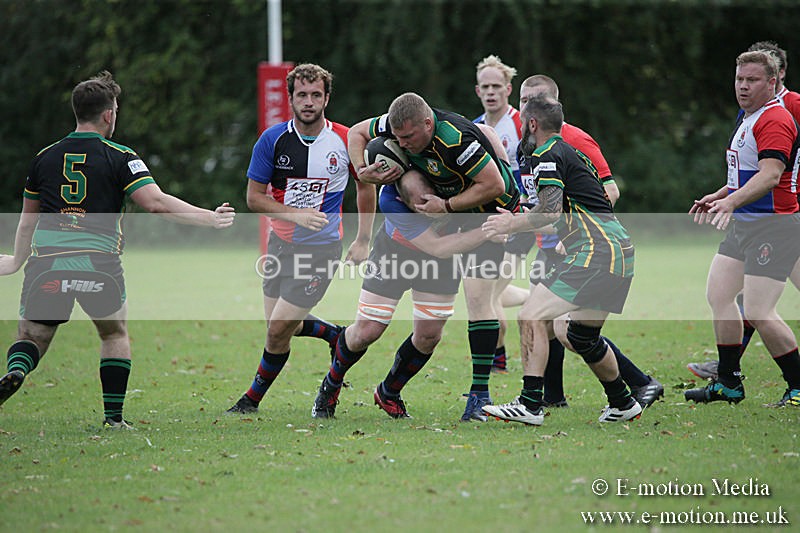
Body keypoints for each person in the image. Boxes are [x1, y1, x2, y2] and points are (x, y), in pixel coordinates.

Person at [0, 71, 236, 428]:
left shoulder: (43, 158)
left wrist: (17, 261)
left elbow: (27, 221)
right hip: (98, 265)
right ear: (109, 114)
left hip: (48, 265)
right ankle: (114, 419)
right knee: (113, 333)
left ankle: (16, 372)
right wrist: (208, 218)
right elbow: (155, 203)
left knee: (32, 335)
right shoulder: (121, 156)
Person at [348, 92, 520, 422]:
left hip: (494, 210)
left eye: (409, 137)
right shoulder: (401, 130)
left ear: (427, 124)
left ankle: (479, 398)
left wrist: (448, 206)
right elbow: (357, 132)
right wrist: (362, 171)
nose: (403, 143)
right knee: (466, 301)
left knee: (479, 298)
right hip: (463, 225)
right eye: (397, 138)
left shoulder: (455, 140)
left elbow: (494, 184)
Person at [481, 94, 642, 425]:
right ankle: (623, 402)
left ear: (532, 124)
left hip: (597, 253)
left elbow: (550, 211)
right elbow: (561, 209)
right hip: (618, 253)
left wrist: (512, 224)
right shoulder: (571, 153)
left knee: (530, 316)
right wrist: (518, 215)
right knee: (582, 337)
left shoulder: (547, 155)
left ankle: (530, 404)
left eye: (523, 124)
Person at [226, 64, 375, 415]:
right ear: (291, 97)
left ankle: (251, 400)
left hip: (322, 249)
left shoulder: (344, 139)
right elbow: (253, 198)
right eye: (302, 95)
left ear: (327, 97)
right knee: (279, 329)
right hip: (281, 244)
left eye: (316, 95)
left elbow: (365, 186)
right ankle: (334, 335)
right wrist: (295, 214)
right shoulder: (272, 139)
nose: (309, 102)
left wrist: (363, 239)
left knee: (278, 329)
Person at [518, 75, 663, 409]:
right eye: (523, 100)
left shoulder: (571, 141)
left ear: (551, 104)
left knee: (541, 318)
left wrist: (577, 235)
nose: (526, 106)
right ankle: (596, 399)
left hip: (585, 248)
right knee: (568, 331)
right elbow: (547, 199)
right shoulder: (533, 145)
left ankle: (533, 403)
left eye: (534, 100)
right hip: (563, 244)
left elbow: (608, 191)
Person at [311, 170, 490, 419]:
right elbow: (360, 131)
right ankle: (331, 383)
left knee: (429, 335)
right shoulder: (390, 197)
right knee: (367, 331)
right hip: (396, 251)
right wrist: (490, 230)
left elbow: (495, 172)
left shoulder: (454, 157)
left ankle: (389, 392)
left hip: (445, 257)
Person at [685, 51, 800, 408]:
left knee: (759, 311)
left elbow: (770, 175)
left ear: (772, 82)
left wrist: (731, 203)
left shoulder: (776, 119)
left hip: (774, 226)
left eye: (752, 80)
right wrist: (720, 195)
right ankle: (729, 383)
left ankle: (797, 384)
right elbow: (744, 173)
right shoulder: (749, 116)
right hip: (746, 225)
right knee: (719, 295)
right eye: (739, 79)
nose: (744, 86)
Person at [473, 54, 528, 375]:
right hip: (485, 225)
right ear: (477, 91)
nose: (491, 91)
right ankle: (537, 296)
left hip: (517, 223)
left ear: (508, 88)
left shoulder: (522, 125)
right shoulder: (475, 127)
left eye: (496, 86)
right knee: (493, 290)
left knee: (489, 293)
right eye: (485, 87)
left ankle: (498, 360)